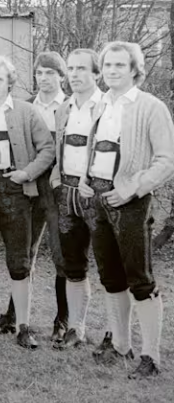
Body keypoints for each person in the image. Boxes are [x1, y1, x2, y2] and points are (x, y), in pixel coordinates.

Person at [79, 41, 174, 379]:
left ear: (135, 70)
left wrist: (132, 189)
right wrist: (85, 180)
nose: (113, 70)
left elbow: (166, 161)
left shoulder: (151, 107)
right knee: (110, 276)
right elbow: (95, 151)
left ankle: (151, 356)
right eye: (108, 65)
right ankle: (120, 345)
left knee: (140, 278)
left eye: (120, 65)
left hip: (131, 202)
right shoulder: (100, 104)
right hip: (98, 200)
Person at [0, 56, 54, 349]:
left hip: (16, 190)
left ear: (10, 82)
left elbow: (47, 148)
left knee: (19, 261)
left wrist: (26, 173)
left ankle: (23, 327)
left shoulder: (26, 111)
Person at [0, 52, 69, 339]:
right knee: (23, 250)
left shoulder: (71, 106)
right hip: (28, 186)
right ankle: (14, 315)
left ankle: (62, 319)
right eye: (39, 73)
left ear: (61, 76)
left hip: (57, 188)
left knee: (61, 253)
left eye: (50, 73)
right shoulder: (25, 106)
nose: (44, 78)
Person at [49, 49, 103, 351]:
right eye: (71, 69)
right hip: (67, 193)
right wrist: (57, 179)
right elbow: (61, 150)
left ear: (96, 73)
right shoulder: (64, 108)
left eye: (82, 68)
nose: (75, 74)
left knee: (112, 265)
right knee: (73, 263)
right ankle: (76, 328)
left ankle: (114, 333)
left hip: (98, 193)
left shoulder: (107, 107)